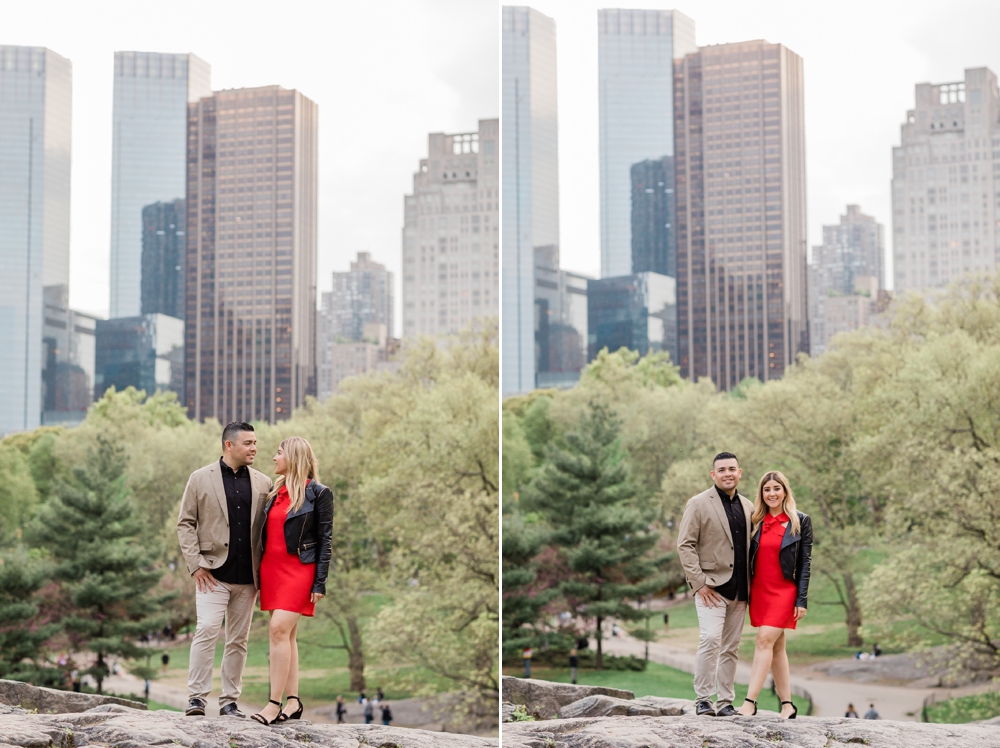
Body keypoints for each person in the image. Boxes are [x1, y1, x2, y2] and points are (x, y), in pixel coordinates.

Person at [177, 422, 273, 718]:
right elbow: (185, 524)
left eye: (255, 442)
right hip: (211, 576)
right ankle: (197, 699)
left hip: (249, 580)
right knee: (206, 630)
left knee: (238, 640)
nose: (254, 448)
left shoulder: (264, 482)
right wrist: (196, 566)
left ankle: (229, 701)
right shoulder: (199, 478)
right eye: (248, 443)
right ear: (228, 445)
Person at [250, 437, 334, 726]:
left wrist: (319, 582)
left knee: (277, 630)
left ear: (294, 458)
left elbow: (325, 540)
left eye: (279, 453)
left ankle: (273, 704)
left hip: (300, 571)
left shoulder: (319, 493)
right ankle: (294, 701)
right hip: (271, 570)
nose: (273, 458)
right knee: (287, 636)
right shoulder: (275, 493)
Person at [677, 452, 754, 717]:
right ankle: (702, 699)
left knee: (731, 648)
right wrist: (699, 584)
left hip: (741, 591)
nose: (727, 474)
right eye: (721, 470)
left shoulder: (749, 506)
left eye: (732, 469)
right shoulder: (698, 503)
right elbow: (685, 545)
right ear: (713, 475)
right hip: (711, 589)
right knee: (710, 639)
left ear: (739, 472)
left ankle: (725, 703)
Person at [736, 471, 813, 720]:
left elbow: (804, 564)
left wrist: (801, 599)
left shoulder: (800, 521)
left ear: (785, 491)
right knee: (777, 648)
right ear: (762, 493)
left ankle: (750, 702)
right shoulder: (754, 521)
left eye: (776, 488)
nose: (772, 493)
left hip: (784, 592)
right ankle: (788, 705)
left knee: (763, 641)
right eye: (767, 489)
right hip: (760, 591)